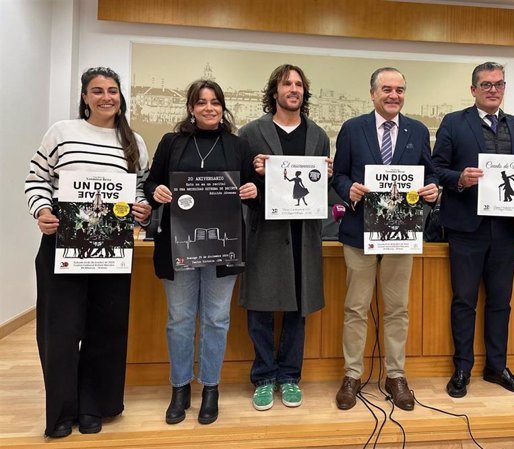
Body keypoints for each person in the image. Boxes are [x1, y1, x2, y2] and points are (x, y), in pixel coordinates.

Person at [24, 67, 152, 438]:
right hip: (62, 246)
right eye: (97, 91)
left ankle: (94, 405)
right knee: (60, 331)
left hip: (112, 251)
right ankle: (63, 411)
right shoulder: (61, 133)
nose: (105, 97)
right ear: (84, 96)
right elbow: (37, 179)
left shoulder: (134, 142)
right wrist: (42, 211)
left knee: (105, 331)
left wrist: (142, 208)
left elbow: (139, 190)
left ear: (120, 96)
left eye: (112, 90)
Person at [144, 79, 258, 424]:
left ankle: (211, 387)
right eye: (201, 102)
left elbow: (259, 190)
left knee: (216, 319)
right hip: (179, 247)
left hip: (223, 248)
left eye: (215, 102)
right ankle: (180, 388)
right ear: (191, 108)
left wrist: (254, 189)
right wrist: (158, 191)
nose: (209, 108)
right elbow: (150, 184)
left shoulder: (239, 146)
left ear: (223, 108)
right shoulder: (172, 142)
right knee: (179, 320)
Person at [431, 61, 514, 399]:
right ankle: (462, 368)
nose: (493, 89)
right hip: (466, 227)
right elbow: (436, 168)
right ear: (473, 90)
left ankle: (497, 367)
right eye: (486, 85)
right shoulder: (454, 122)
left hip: (506, 229)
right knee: (464, 301)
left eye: (499, 84)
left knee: (500, 302)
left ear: (504, 88)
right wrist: (460, 180)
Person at [332, 67, 438, 411]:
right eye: (387, 89)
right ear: (373, 93)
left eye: (400, 90)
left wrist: (432, 190)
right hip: (359, 232)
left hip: (400, 233)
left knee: (397, 309)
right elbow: (340, 174)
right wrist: (347, 187)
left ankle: (395, 376)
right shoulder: (352, 129)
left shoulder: (418, 130)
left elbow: (429, 173)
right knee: (356, 307)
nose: (394, 95)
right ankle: (352, 375)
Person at [239, 64, 331, 411]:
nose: (293, 89)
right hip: (265, 233)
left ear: (304, 92)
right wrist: (258, 176)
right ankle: (263, 377)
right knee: (260, 307)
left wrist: (326, 175)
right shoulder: (251, 133)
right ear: (274, 91)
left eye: (299, 84)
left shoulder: (318, 135)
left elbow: (317, 188)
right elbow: (242, 187)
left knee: (298, 308)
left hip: (303, 234)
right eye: (286, 83)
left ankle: (290, 376)